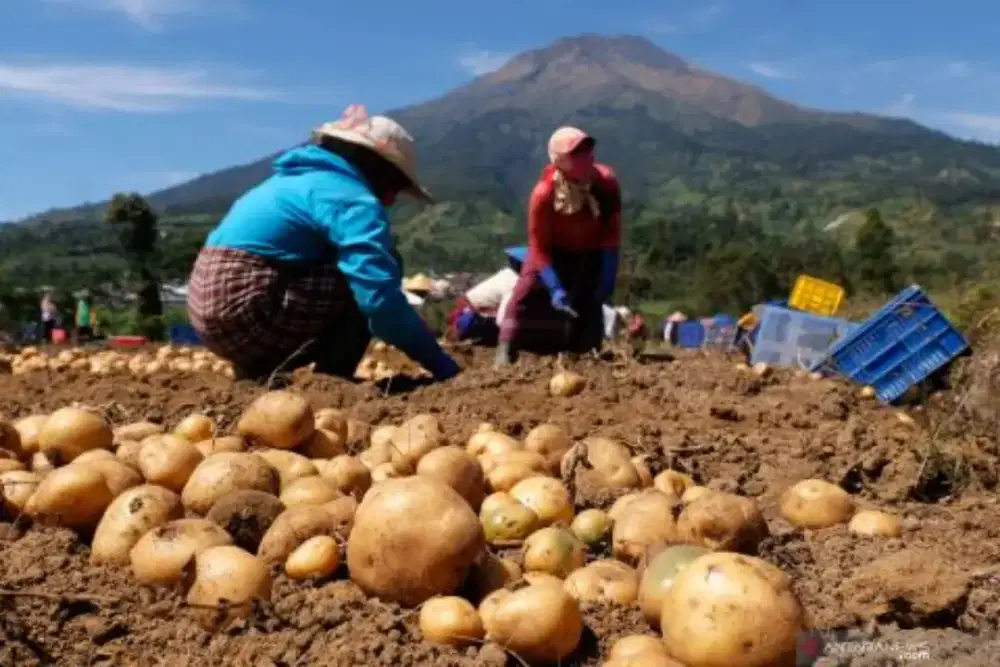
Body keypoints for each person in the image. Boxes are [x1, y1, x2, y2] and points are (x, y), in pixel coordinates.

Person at [187, 104, 461, 383]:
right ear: (376, 167)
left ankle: (257, 375)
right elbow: (379, 301)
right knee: (374, 273)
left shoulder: (286, 182)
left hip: (207, 316)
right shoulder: (351, 196)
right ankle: (331, 381)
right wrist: (442, 365)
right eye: (392, 190)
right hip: (249, 312)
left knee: (336, 261)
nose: (387, 201)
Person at [496, 126, 622, 365]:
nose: (587, 157)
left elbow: (612, 231)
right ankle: (505, 349)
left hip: (592, 250)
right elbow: (539, 245)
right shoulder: (544, 194)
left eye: (588, 150)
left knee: (591, 300)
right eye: (577, 154)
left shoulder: (606, 183)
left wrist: (608, 271)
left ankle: (585, 354)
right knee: (523, 293)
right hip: (551, 250)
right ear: (559, 161)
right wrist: (554, 286)